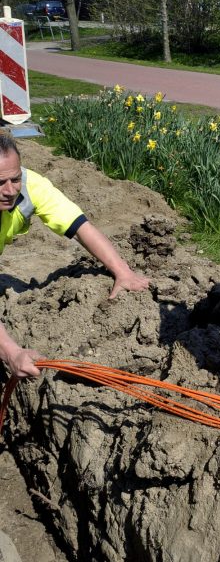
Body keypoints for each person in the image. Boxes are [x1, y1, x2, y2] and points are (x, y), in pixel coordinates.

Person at [0, 132, 150, 379]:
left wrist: (123, 272)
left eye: (14, 179)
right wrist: (11, 351)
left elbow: (80, 226)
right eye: (0, 183)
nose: (10, 190)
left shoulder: (30, 185)